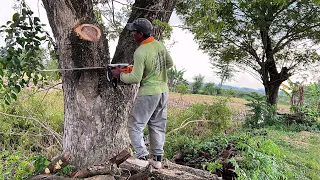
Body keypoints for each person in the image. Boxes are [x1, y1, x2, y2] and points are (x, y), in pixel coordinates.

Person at [112, 18, 173, 169]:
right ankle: (157, 160)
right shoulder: (159, 45)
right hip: (163, 91)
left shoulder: (140, 51)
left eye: (134, 32)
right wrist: (151, 70)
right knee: (157, 125)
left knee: (135, 126)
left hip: (149, 93)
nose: (132, 34)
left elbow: (134, 78)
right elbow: (170, 64)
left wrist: (118, 75)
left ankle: (142, 158)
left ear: (140, 34)